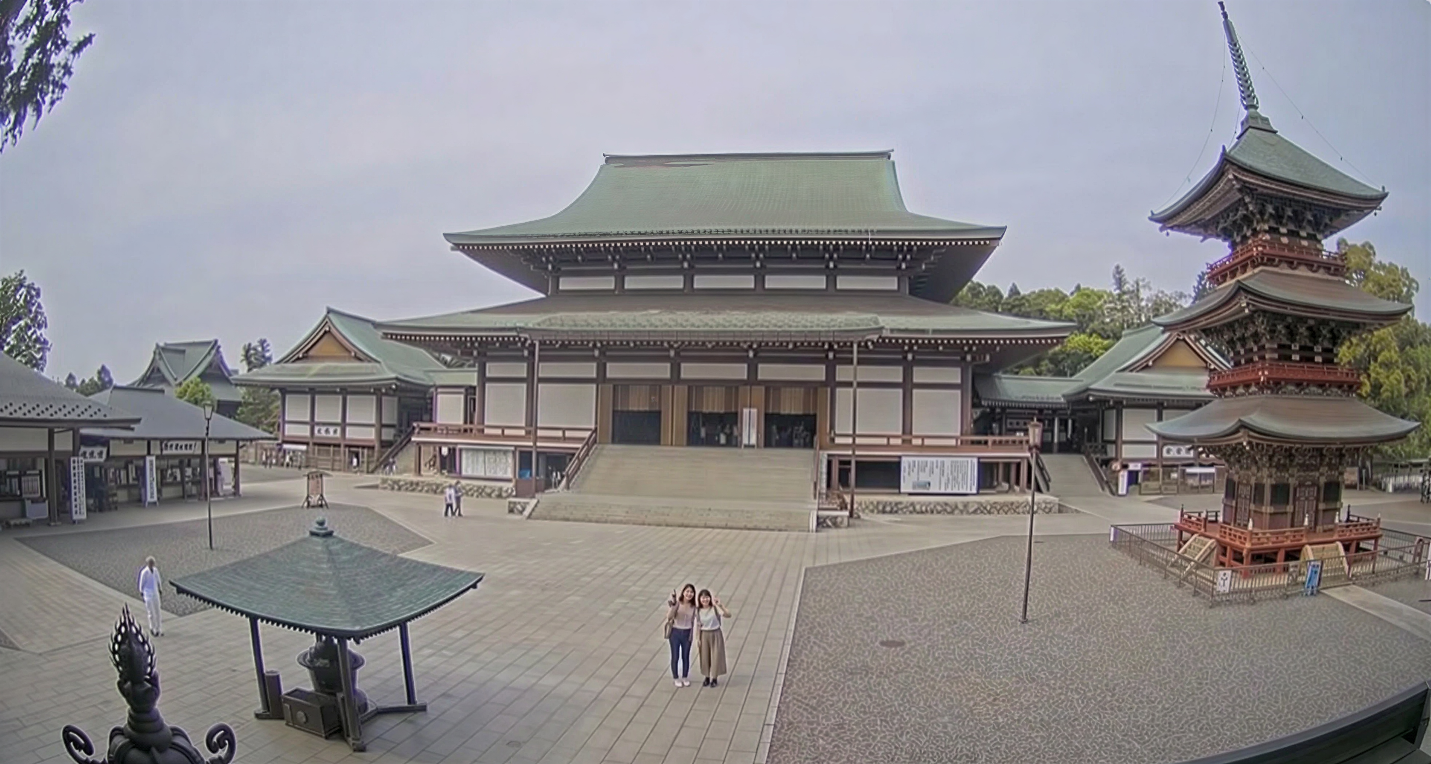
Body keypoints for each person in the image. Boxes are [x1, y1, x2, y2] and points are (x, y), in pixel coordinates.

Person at [695, 589, 732, 687]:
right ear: (699, 599)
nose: (705, 600)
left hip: (715, 633)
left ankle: (714, 678)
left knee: (716, 656)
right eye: (703, 598)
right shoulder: (698, 610)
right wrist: (698, 638)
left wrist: (720, 605)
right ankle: (706, 677)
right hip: (704, 634)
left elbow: (728, 615)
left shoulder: (714, 608)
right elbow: (698, 625)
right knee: (704, 656)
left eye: (706, 597)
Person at [665, 584, 698, 687]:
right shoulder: (678, 603)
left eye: (691, 592)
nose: (689, 594)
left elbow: (699, 619)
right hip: (675, 632)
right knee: (675, 656)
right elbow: (669, 616)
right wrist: (674, 605)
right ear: (683, 592)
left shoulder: (694, 607)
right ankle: (676, 677)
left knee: (685, 656)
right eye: (687, 591)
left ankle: (684, 676)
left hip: (687, 633)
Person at [137, 556, 163, 637]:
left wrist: (160, 588)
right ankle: (153, 628)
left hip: (155, 592)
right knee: (151, 612)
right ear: (148, 563)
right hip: (148, 594)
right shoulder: (144, 572)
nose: (152, 565)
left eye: (153, 563)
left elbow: (158, 579)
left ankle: (159, 628)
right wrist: (141, 591)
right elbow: (141, 583)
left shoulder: (155, 570)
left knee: (157, 611)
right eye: (150, 563)